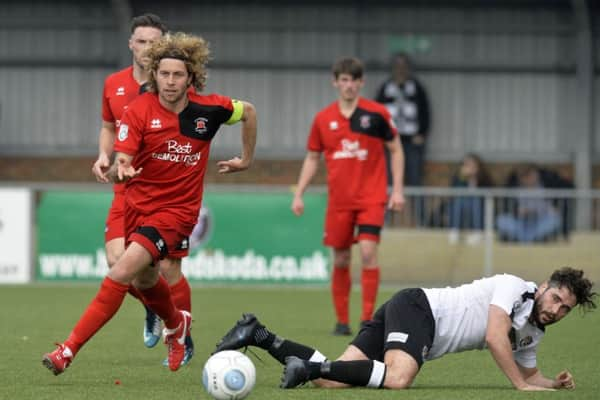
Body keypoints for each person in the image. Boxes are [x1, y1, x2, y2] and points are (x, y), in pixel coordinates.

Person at [42, 31, 257, 375]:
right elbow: (121, 162)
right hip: (137, 207)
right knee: (144, 280)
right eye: (164, 74)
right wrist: (120, 169)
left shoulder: (211, 108)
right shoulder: (139, 110)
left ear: (191, 78)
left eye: (178, 75)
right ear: (154, 74)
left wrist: (245, 159)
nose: (170, 82)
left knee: (122, 270)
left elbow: (249, 112)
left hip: (176, 214)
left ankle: (68, 350)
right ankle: (176, 325)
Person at [215, 267, 596, 391]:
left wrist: (550, 384)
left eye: (565, 308)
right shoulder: (514, 287)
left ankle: (258, 334)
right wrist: (521, 387)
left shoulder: (534, 332)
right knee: (399, 378)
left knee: (331, 382)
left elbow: (529, 372)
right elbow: (496, 337)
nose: (557, 309)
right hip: (421, 310)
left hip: (411, 315)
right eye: (556, 298)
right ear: (544, 287)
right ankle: (309, 367)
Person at [91, 14, 197, 367]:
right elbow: (108, 127)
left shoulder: (175, 84)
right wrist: (105, 155)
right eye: (141, 41)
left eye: (154, 42)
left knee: (168, 271)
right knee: (118, 263)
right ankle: (159, 311)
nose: (146, 47)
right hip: (128, 188)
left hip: (168, 192)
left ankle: (183, 333)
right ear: (130, 44)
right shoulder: (113, 84)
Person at [291, 57, 405, 336]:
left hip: (371, 197)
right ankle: (341, 322)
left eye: (354, 80)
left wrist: (398, 190)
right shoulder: (323, 118)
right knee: (340, 259)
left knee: (367, 252)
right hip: (340, 201)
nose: (349, 85)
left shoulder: (376, 114)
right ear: (336, 82)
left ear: (361, 83)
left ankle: (367, 320)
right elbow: (312, 157)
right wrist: (300, 192)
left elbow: (396, 149)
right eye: (344, 80)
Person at [375, 52, 430, 225]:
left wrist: (422, 134)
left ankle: (422, 223)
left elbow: (425, 112)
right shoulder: (385, 88)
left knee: (415, 180)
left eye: (403, 66)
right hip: (390, 142)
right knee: (387, 182)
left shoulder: (416, 88)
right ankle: (384, 221)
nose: (400, 69)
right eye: (397, 66)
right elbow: (377, 113)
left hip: (411, 142)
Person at [496, 164, 565, 243]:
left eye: (533, 175)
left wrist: (549, 210)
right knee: (502, 220)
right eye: (527, 176)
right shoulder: (515, 189)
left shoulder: (546, 186)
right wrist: (518, 211)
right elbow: (510, 209)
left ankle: (535, 239)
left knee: (555, 219)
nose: (531, 178)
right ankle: (520, 239)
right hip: (520, 222)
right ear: (521, 178)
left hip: (540, 221)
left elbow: (551, 207)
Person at [448, 153, 494, 245]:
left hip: (479, 204)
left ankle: (478, 232)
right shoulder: (459, 176)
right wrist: (462, 178)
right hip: (463, 203)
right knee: (458, 201)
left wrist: (476, 178)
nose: (469, 167)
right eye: (467, 165)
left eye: (472, 165)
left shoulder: (483, 175)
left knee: (475, 200)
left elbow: (489, 189)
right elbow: (454, 190)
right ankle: (454, 230)